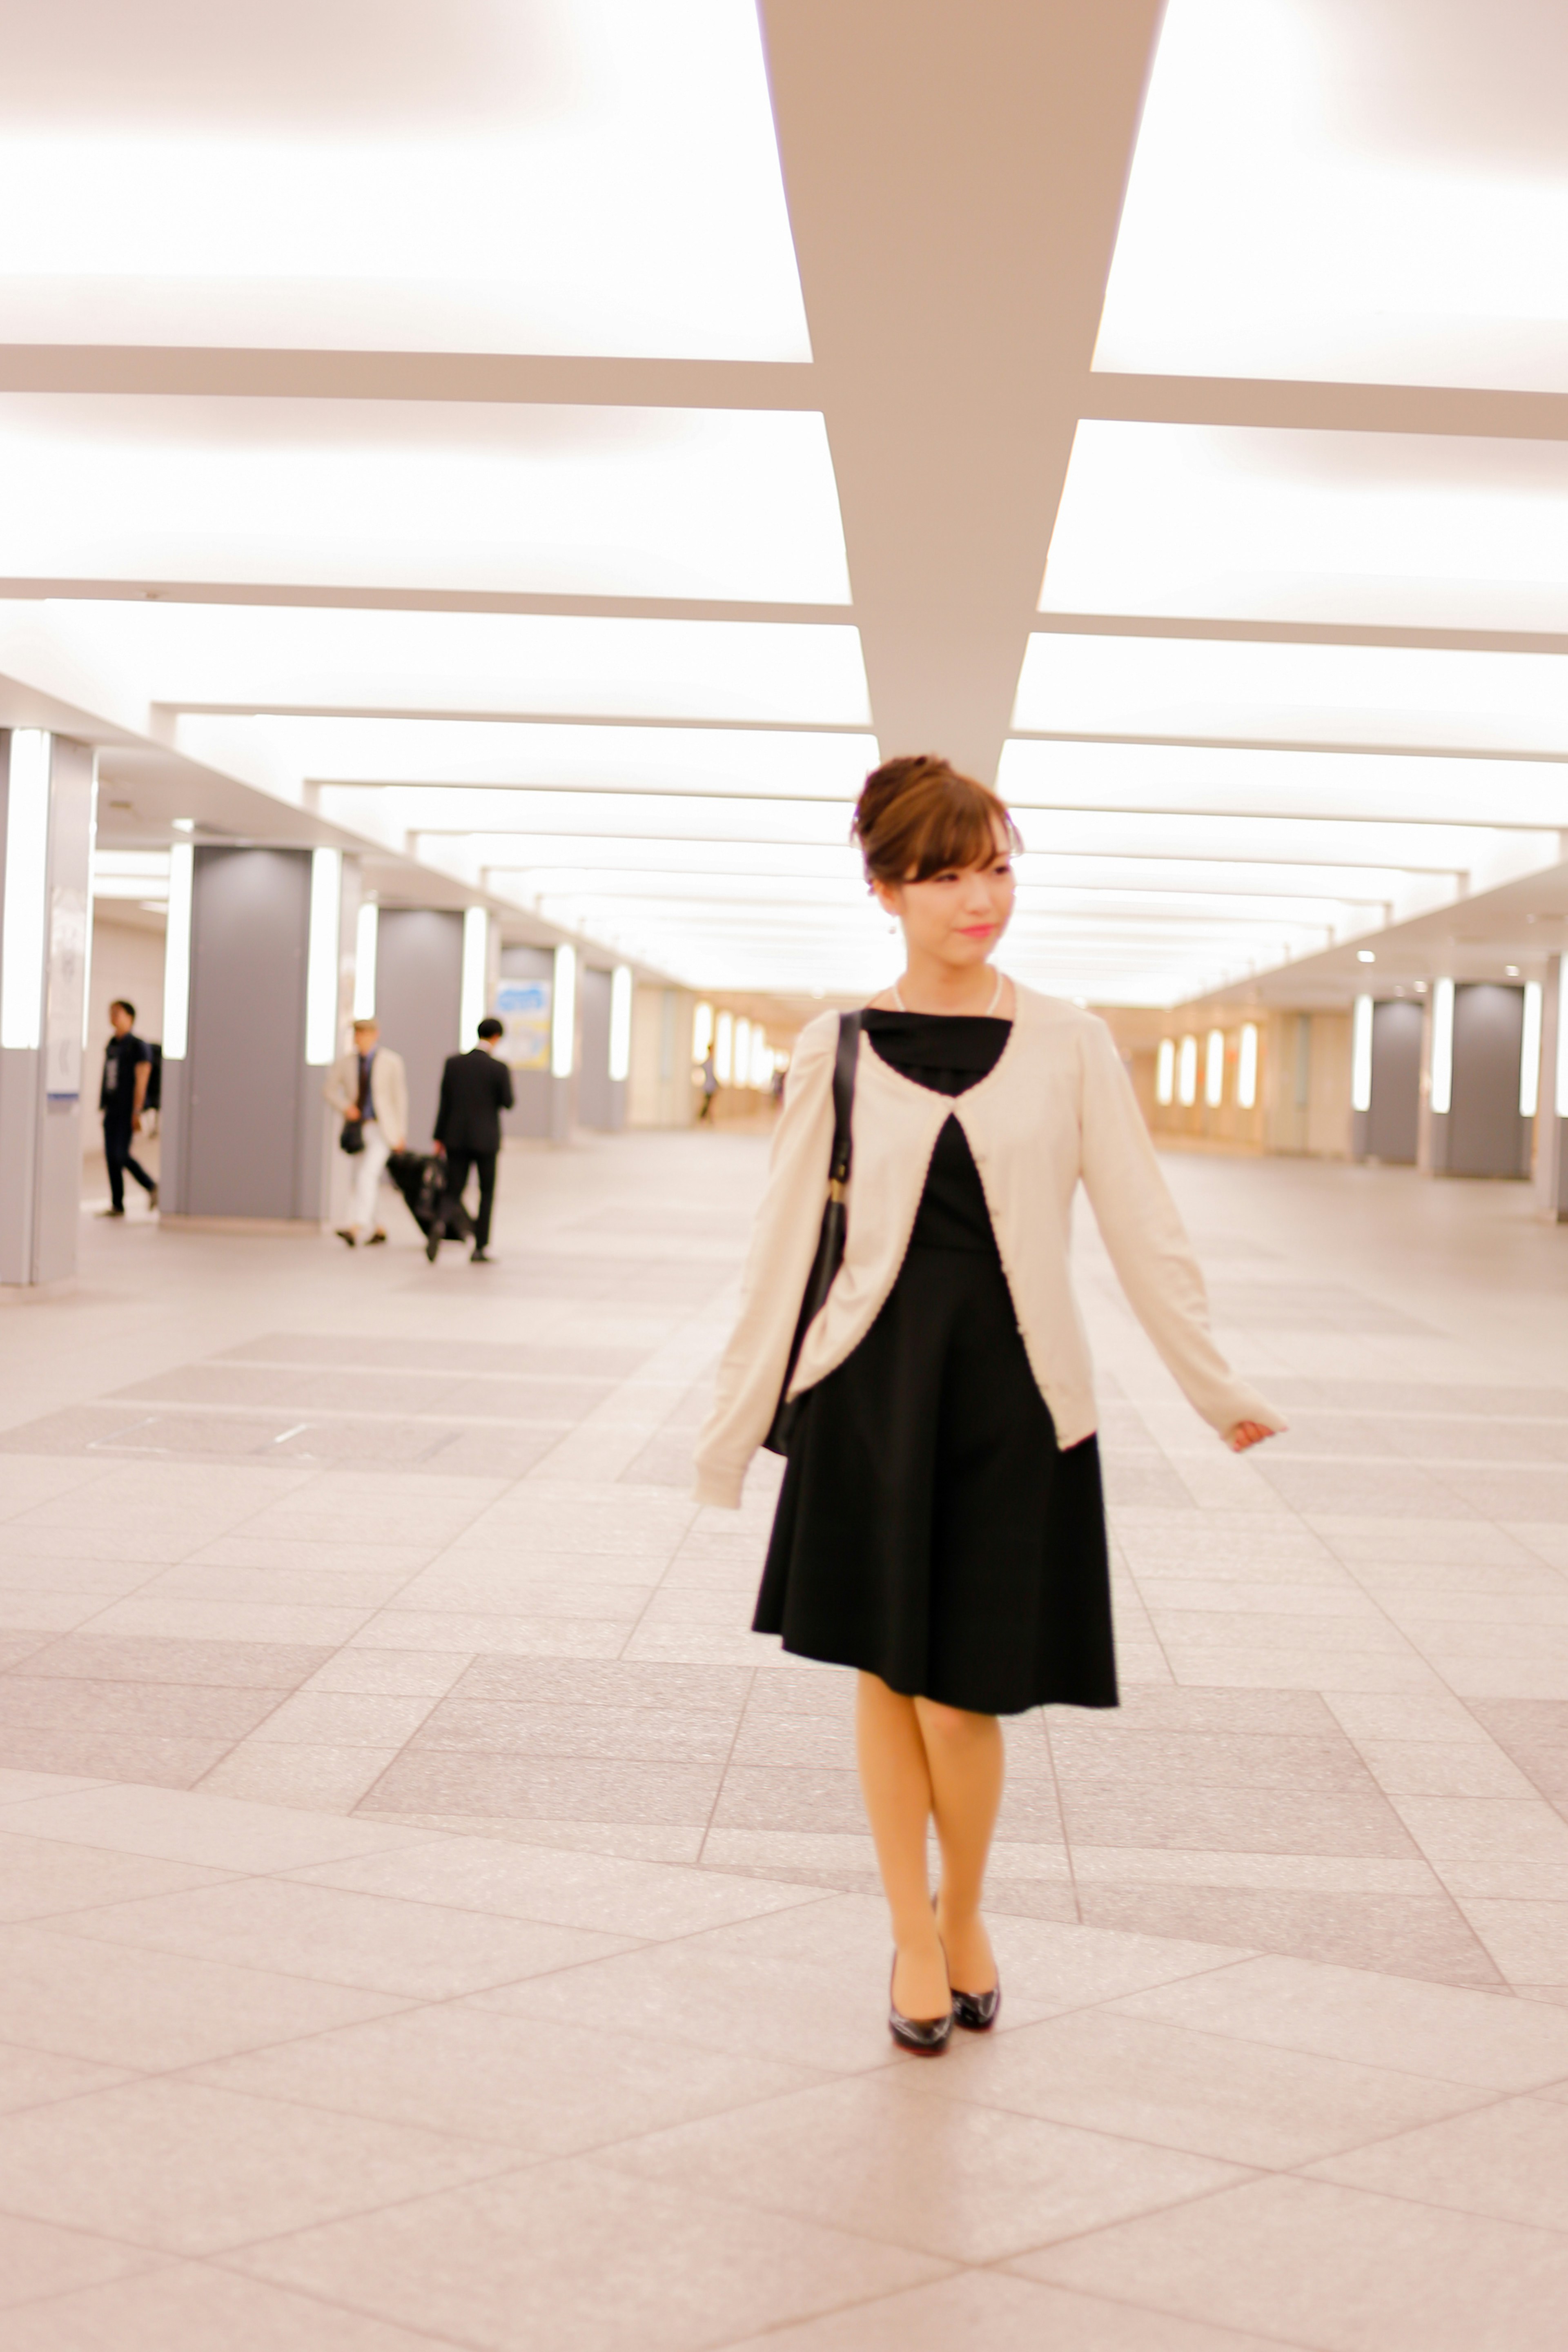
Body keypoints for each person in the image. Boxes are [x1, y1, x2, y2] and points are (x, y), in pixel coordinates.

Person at [693, 755, 1284, 2055]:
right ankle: (912, 1932)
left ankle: (967, 1914)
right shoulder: (832, 1048)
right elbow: (781, 1248)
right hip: (868, 1395)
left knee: (964, 1691)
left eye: (997, 868)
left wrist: (1210, 1385)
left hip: (1015, 1405)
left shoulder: (1071, 1042)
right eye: (948, 873)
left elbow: (1141, 1224)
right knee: (884, 1673)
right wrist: (732, 1428)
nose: (980, 897)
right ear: (885, 888)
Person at [433, 1016, 514, 1264]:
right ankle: (480, 1247)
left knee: (454, 1188)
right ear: (497, 1038)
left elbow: (444, 1103)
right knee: (486, 1192)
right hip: (486, 1141)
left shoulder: (454, 1064)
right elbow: (508, 1103)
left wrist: (439, 1137)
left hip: (455, 1138)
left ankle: (438, 1224)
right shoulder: (499, 1068)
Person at [324, 1017, 408, 1246]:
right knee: (366, 1177)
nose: (360, 1039)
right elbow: (329, 1090)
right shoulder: (346, 1063)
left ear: (375, 1035)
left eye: (364, 1034)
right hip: (360, 1128)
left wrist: (400, 1132)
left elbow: (399, 1098)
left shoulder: (391, 1062)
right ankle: (379, 1228)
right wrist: (345, 1107)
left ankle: (355, 1226)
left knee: (367, 1176)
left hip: (383, 1128)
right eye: (357, 1034)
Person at [98, 999, 157, 1217]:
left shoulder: (138, 1046)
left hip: (127, 1110)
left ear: (130, 1017)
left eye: (117, 1013)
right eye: (111, 1013)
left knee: (121, 1155)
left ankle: (151, 1186)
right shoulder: (112, 1044)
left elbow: (142, 1079)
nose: (113, 1017)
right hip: (111, 1110)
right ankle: (117, 1204)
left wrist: (137, 1110)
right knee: (111, 1157)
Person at [697, 1049, 719, 1123]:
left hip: (710, 1086)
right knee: (708, 1103)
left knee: (709, 1103)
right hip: (709, 1086)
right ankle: (703, 1117)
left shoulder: (708, 1062)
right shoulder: (709, 1063)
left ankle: (708, 1119)